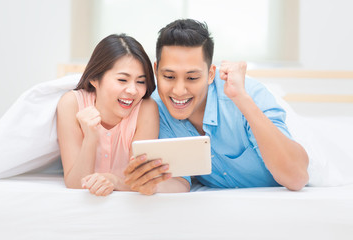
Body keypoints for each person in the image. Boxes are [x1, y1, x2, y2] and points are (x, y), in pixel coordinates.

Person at [124, 19, 309, 194]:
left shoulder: (247, 93)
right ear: (156, 71)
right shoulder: (156, 109)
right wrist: (149, 184)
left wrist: (241, 99)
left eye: (192, 78)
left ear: (211, 74)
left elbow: (297, 178)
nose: (179, 90)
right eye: (169, 77)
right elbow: (179, 180)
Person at [57, 34, 190, 196]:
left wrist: (113, 181)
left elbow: (140, 179)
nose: (133, 91)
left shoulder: (146, 109)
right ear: (94, 78)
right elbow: (75, 183)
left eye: (140, 81)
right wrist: (91, 137)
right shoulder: (71, 104)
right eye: (122, 80)